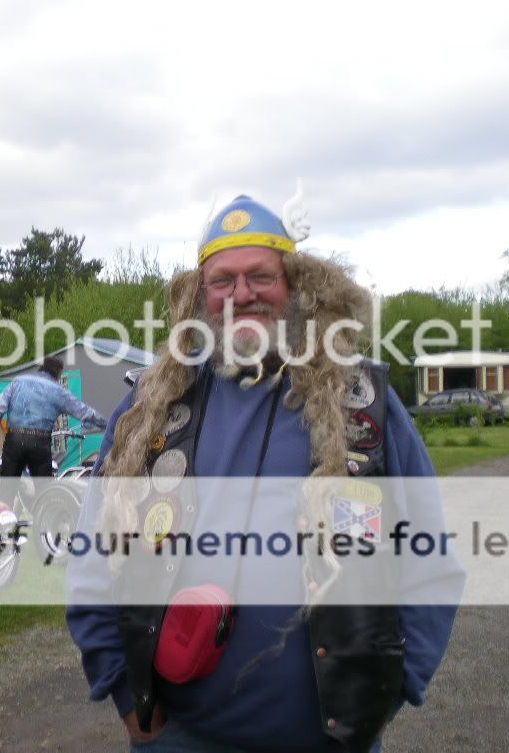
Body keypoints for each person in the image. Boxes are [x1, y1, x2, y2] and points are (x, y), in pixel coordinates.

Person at [66, 194, 465, 752]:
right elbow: (91, 558)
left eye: (261, 276)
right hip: (180, 740)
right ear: (199, 295)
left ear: (297, 288)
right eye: (222, 280)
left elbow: (430, 560)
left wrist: (390, 691)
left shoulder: (362, 404)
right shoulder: (152, 408)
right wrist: (125, 697)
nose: (241, 295)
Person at [0, 356, 107, 505]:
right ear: (59, 373)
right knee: (45, 496)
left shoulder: (18, 382)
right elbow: (85, 413)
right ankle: (43, 523)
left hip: (14, 440)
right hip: (39, 443)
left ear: (41, 369)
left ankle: (2, 522)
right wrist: (108, 426)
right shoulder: (58, 391)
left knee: (6, 493)